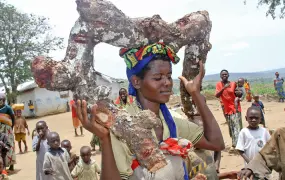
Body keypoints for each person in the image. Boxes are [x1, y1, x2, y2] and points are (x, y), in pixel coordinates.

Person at [76, 43, 224, 180]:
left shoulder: (169, 121)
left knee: (204, 160)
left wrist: (195, 93)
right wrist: (105, 139)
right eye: (158, 77)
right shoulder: (123, 125)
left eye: (169, 76)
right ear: (136, 82)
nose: (167, 82)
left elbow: (216, 143)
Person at [216, 70, 243, 150]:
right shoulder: (218, 84)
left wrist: (240, 94)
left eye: (226, 74)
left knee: (237, 126)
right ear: (220, 76)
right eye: (223, 74)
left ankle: (237, 145)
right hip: (227, 109)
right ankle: (235, 143)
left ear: (228, 75)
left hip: (235, 108)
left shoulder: (233, 84)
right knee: (231, 127)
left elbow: (239, 93)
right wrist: (223, 88)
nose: (224, 75)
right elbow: (217, 95)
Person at [0, 93, 16, 171]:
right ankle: (3, 166)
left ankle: (11, 165)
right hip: (0, 129)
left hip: (7, 129)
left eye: (1, 100)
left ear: (4, 100)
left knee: (9, 145)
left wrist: (11, 128)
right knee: (1, 147)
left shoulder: (8, 108)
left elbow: (13, 118)